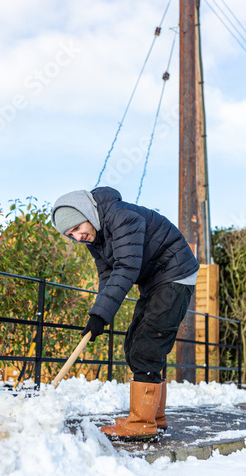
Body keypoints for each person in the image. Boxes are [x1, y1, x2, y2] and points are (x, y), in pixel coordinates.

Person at [51, 186, 199, 440]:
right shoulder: (95, 236)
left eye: (77, 228)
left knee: (147, 344)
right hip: (156, 280)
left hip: (175, 274)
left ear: (87, 213)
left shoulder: (121, 217)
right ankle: (153, 416)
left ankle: (142, 423)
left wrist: (101, 314)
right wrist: (98, 315)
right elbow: (108, 277)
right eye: (70, 234)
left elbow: (126, 268)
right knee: (134, 343)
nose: (77, 237)